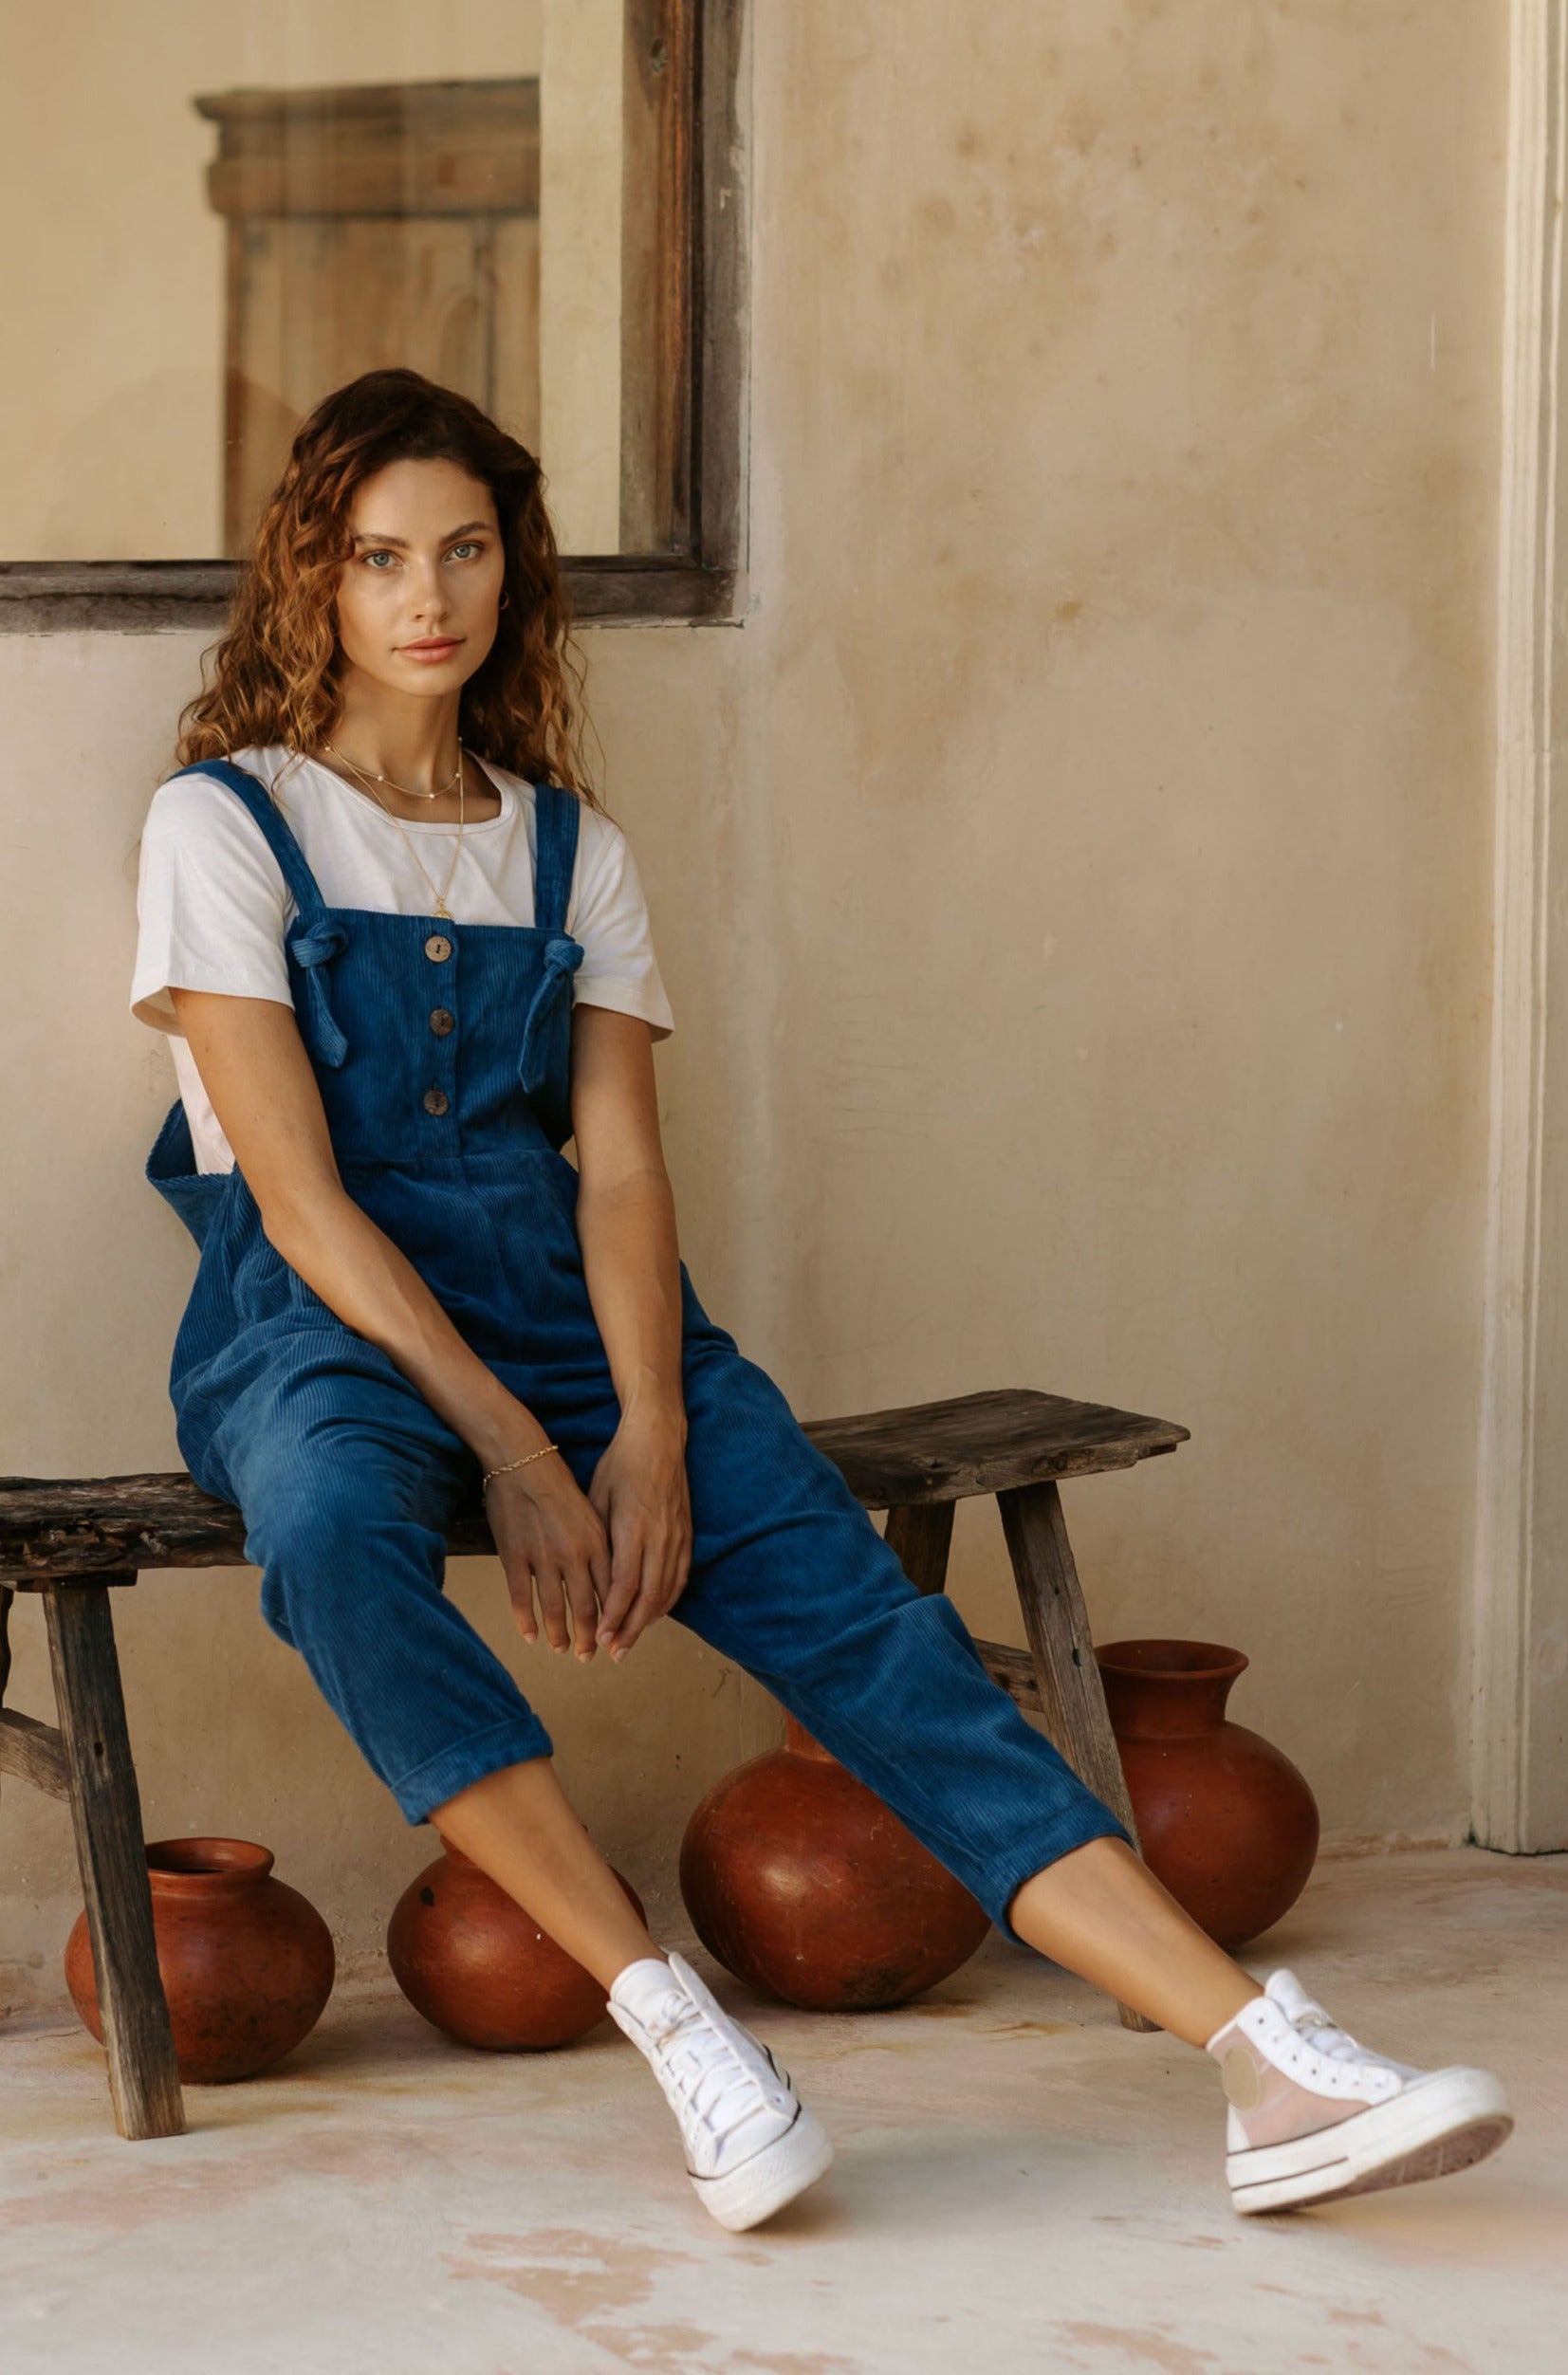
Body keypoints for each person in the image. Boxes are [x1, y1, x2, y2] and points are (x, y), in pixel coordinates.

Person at [131, 368, 1512, 2234]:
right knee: (322, 1527)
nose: (425, 595)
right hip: (318, 1327)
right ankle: (674, 2019)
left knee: (871, 1635)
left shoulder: (573, 849)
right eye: (378, 557)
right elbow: (296, 1198)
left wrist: (648, 1424)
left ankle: (1266, 2061)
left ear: (513, 569)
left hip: (582, 1311)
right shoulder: (224, 823)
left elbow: (621, 1176)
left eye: (462, 548)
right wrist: (519, 1451)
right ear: (315, 575)